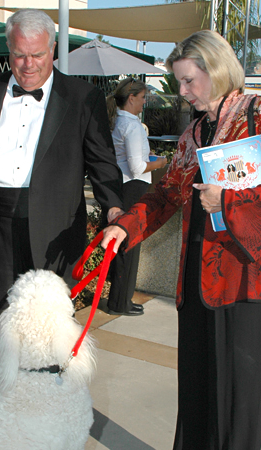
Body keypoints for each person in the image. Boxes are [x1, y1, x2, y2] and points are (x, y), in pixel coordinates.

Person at [102, 30, 261, 450]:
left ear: (216, 70)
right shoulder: (194, 132)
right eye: (179, 83)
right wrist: (123, 226)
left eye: (189, 81)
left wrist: (230, 205)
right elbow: (168, 194)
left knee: (239, 389)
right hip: (196, 273)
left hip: (246, 275)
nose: (183, 92)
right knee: (195, 378)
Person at [0, 9, 123, 390]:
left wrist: (114, 211)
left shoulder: (82, 97)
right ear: (8, 50)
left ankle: (47, 398)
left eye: (38, 55)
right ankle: (2, 400)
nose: (27, 65)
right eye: (19, 55)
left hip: (56, 224)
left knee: (50, 318)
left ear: (54, 49)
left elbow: (102, 162)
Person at [105, 78, 167, 316]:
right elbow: (136, 167)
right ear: (131, 98)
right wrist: (160, 162)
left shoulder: (119, 122)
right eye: (142, 97)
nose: (144, 102)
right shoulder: (131, 126)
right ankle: (120, 302)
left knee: (124, 246)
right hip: (132, 187)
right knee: (128, 247)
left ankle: (121, 299)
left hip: (125, 187)